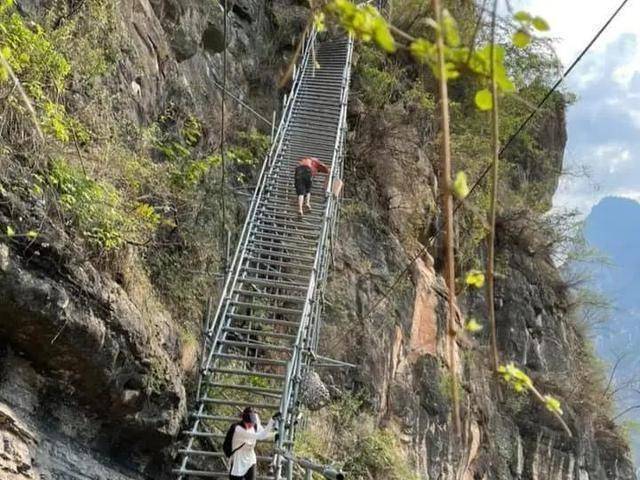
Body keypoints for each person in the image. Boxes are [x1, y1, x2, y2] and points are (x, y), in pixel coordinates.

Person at [229, 407, 281, 480]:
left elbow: (263, 434)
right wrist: (272, 421)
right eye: (249, 422)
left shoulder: (255, 423)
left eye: (253, 421)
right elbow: (260, 436)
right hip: (238, 459)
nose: (252, 424)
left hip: (250, 459)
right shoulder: (239, 429)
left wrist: (274, 434)